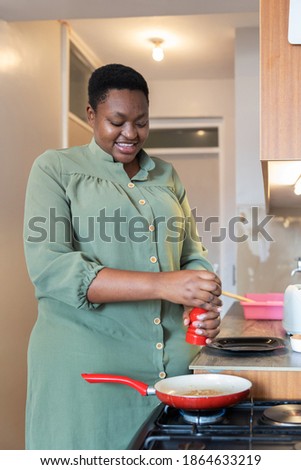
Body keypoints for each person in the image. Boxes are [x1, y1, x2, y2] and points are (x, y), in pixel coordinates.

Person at [23, 63, 222, 450]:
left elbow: (191, 252)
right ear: (91, 115)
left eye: (141, 121)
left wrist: (202, 295)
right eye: (117, 121)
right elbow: (53, 269)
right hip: (90, 371)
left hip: (175, 375)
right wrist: (166, 285)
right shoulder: (56, 169)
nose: (131, 134)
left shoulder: (166, 174)